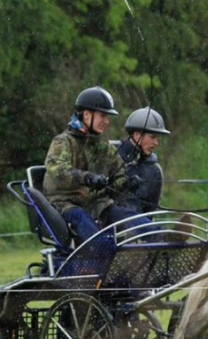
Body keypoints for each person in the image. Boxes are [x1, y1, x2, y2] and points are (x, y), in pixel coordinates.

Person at [43, 86, 145, 249]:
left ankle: (165, 236)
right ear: (87, 114)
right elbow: (58, 170)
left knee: (129, 218)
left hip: (99, 205)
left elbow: (116, 178)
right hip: (67, 205)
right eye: (103, 116)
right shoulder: (63, 142)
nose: (107, 121)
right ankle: (107, 257)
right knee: (87, 225)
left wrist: (126, 183)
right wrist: (87, 178)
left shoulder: (105, 148)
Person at [116, 107, 170, 213]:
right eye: (152, 137)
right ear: (137, 135)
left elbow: (151, 210)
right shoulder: (111, 157)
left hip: (139, 225)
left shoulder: (155, 170)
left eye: (157, 138)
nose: (156, 143)